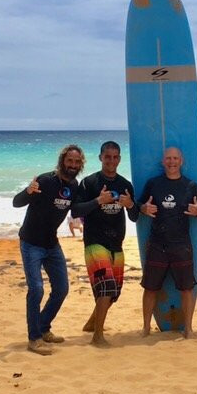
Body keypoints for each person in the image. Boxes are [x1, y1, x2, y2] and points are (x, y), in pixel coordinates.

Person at [12, 144, 84, 356]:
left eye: (77, 162)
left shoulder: (75, 186)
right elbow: (16, 203)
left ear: (81, 165)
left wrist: (100, 201)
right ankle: (34, 339)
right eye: (69, 161)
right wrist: (28, 191)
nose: (72, 165)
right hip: (31, 243)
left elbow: (77, 210)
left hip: (51, 244)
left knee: (61, 289)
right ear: (62, 161)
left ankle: (43, 327)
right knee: (36, 289)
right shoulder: (45, 180)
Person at [72, 141, 139, 347]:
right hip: (95, 242)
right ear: (100, 158)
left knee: (114, 293)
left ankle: (92, 323)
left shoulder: (125, 184)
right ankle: (97, 337)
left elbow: (135, 216)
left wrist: (130, 205)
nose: (111, 161)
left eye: (115, 157)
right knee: (106, 288)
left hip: (116, 243)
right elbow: (75, 211)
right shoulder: (89, 182)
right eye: (107, 157)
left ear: (119, 159)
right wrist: (98, 201)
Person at [137, 147, 197, 339]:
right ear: (163, 161)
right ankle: (145, 327)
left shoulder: (190, 186)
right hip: (158, 244)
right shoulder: (153, 184)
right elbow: (138, 207)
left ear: (181, 161)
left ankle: (188, 328)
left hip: (181, 244)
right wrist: (144, 208)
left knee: (186, 288)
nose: (172, 161)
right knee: (150, 287)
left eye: (175, 158)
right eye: (168, 158)